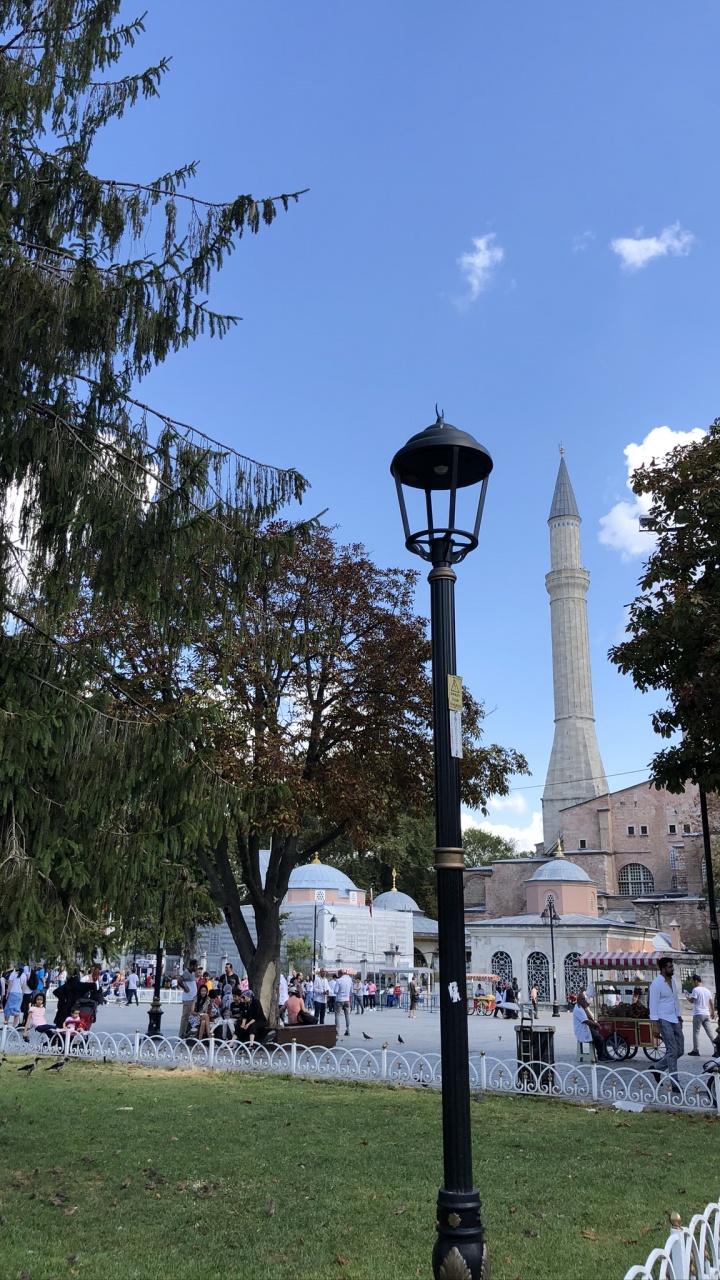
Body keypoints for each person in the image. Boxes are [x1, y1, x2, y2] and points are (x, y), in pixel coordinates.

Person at [649, 957, 684, 1093]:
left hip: (674, 1017)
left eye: (672, 966)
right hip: (663, 1019)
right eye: (669, 967)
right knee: (672, 1050)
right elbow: (653, 1005)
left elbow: (675, 999)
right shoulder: (656, 984)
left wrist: (680, 1016)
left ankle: (657, 1067)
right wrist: (655, 1025)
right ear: (663, 969)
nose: (672, 969)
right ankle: (674, 1083)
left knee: (679, 1050)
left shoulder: (672, 982)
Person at [685, 974, 717, 1056]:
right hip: (706, 1013)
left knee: (696, 1032)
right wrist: (712, 1012)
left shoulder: (695, 990)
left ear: (695, 981)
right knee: (710, 1033)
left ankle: (696, 1050)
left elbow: (692, 1001)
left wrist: (687, 997)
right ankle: (716, 1049)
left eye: (692, 981)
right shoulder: (707, 990)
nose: (692, 983)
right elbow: (711, 1002)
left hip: (698, 1013)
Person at [179, 959, 199, 1040]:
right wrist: (185, 988)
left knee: (189, 1017)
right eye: (196, 966)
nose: (197, 968)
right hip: (188, 999)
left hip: (192, 998)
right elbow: (179, 980)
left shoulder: (192, 973)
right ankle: (182, 1034)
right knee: (185, 1017)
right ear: (192, 966)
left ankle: (186, 1032)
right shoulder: (187, 973)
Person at [334, 969, 353, 1037]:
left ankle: (337, 1031)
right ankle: (348, 1030)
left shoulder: (339, 980)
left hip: (339, 999)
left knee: (337, 1015)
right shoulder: (349, 979)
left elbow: (335, 991)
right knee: (347, 1015)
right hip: (347, 999)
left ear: (339, 974)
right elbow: (351, 990)